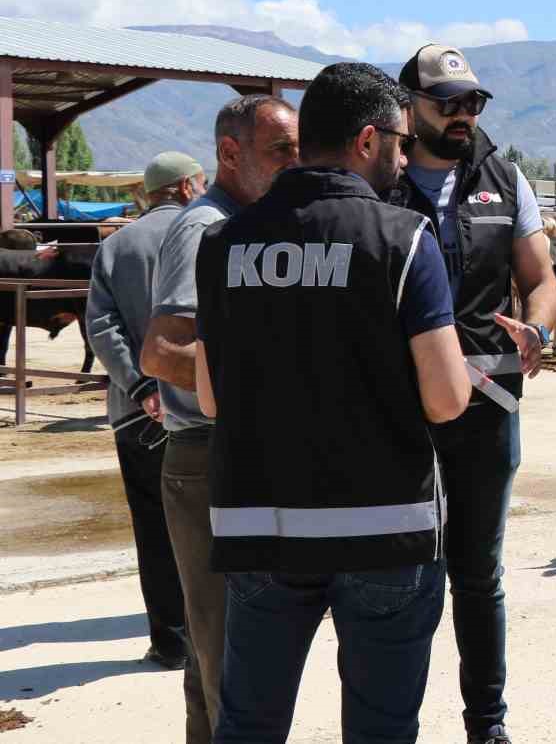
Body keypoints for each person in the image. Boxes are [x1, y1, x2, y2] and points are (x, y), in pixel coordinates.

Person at [194, 62, 470, 744]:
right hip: (385, 527)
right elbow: (445, 399)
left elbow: (208, 397)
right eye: (402, 143)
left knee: (250, 726)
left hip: (261, 524)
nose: (406, 158)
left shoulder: (223, 244)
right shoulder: (403, 238)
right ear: (367, 140)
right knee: (381, 729)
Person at [388, 43, 556, 744]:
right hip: (396, 411)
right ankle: (392, 722)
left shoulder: (503, 177)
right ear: (408, 107)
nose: (464, 115)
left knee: (476, 573)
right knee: (401, 572)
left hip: (490, 408)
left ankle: (486, 724)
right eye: (448, 103)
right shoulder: (377, 181)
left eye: (474, 103)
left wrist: (540, 332)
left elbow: (541, 280)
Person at [141, 94, 299, 744]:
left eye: (299, 148)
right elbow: (162, 348)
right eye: (279, 151)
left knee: (216, 653)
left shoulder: (253, 219)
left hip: (234, 454)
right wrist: (263, 392)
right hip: (208, 458)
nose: (296, 163)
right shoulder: (206, 226)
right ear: (229, 154)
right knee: (231, 657)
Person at [86, 151, 207, 676]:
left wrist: (139, 387)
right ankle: (218, 637)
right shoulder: (210, 234)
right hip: (204, 410)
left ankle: (170, 643)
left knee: (154, 530)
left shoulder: (115, 246)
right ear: (184, 188)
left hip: (135, 416)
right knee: (212, 527)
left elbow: (102, 328)